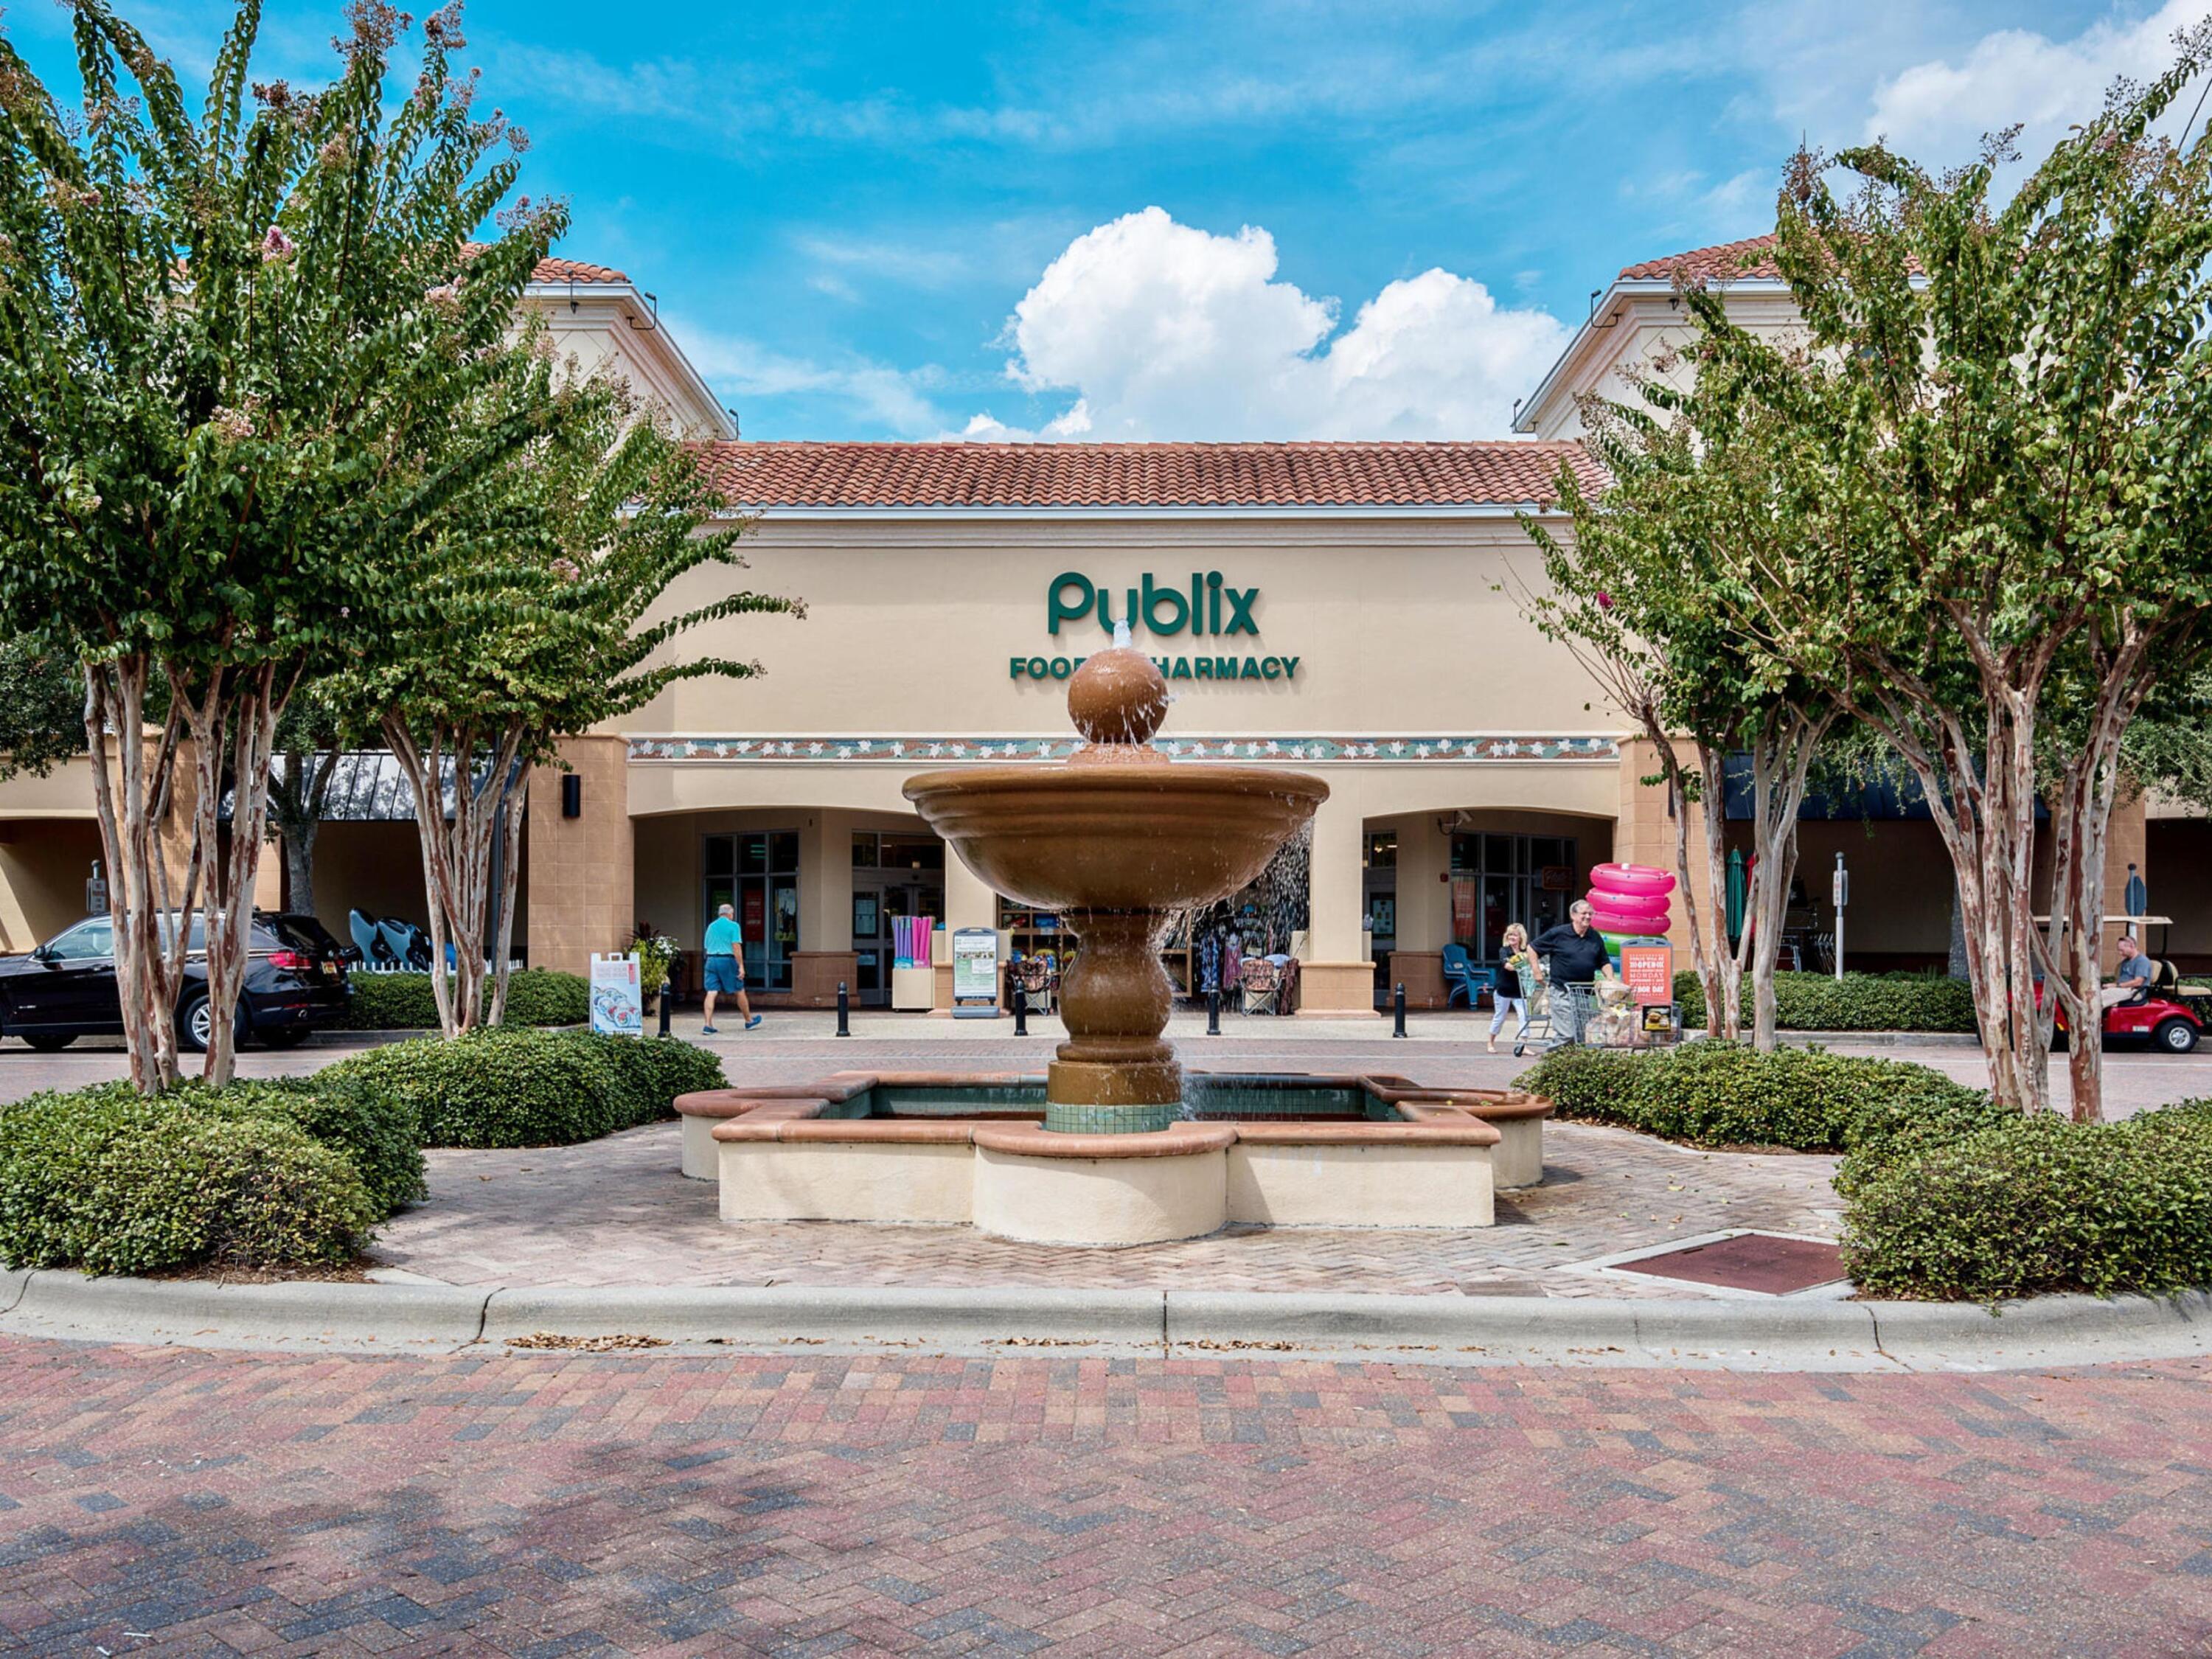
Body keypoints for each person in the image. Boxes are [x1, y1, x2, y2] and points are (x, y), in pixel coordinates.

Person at [1534, 900, 1610, 1047]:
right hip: (1562, 991)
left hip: (1584, 993)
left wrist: (1611, 980)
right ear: (1573, 915)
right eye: (1584, 913)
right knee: (1567, 1033)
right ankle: (1550, 1058)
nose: (1588, 916)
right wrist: (1536, 971)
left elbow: (1604, 962)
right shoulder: (1558, 933)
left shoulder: (1595, 936)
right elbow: (1533, 948)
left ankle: (1569, 1061)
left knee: (1582, 1034)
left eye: (1590, 913)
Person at [701, 902, 761, 1034]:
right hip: (727, 960)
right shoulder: (734, 926)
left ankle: (708, 1024)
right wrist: (741, 966)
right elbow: (736, 947)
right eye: (732, 914)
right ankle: (749, 1020)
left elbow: (706, 946)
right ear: (730, 914)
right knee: (739, 989)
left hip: (711, 960)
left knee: (711, 992)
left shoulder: (711, 926)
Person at [1487, 924, 1535, 1054]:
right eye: (1510, 934)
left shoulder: (1525, 952)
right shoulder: (1504, 950)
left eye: (1515, 935)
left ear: (1521, 937)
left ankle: (1523, 1045)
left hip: (1520, 990)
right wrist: (1521, 967)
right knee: (1500, 1017)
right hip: (1503, 989)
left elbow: (1533, 963)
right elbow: (1507, 965)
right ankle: (1490, 1042)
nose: (1512, 937)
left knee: (1524, 1016)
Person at [2101, 935, 2156, 1009]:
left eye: (2122, 950)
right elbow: (2121, 980)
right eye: (2119, 950)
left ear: (2132, 946)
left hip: (2134, 991)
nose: (2120, 953)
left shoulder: (2142, 961)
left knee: (2098, 998)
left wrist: (2116, 986)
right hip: (2123, 989)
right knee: (2095, 994)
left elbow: (2138, 982)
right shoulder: (2125, 962)